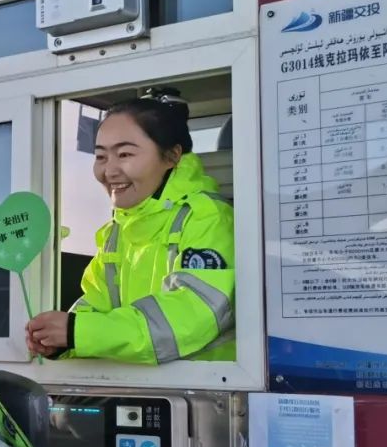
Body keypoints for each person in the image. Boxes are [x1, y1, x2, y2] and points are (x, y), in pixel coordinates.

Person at [27, 88, 235, 364]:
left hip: (209, 384)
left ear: (172, 156)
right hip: (137, 384)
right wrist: (62, 342)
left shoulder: (208, 217)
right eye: (101, 156)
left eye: (124, 154)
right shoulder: (116, 232)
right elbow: (96, 305)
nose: (109, 171)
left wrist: (78, 332)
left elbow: (194, 314)